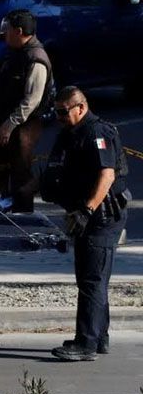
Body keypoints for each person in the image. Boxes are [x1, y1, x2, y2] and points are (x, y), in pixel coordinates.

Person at [42, 87, 130, 361]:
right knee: (92, 279)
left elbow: (107, 176)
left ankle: (86, 344)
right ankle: (98, 337)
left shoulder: (97, 132)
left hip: (101, 216)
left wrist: (86, 210)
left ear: (80, 107)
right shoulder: (72, 133)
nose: (59, 117)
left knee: (92, 280)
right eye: (56, 112)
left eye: (63, 111)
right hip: (87, 215)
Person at [0, 9, 54, 213]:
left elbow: (31, 101)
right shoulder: (15, 52)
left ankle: (23, 216)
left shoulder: (36, 58)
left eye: (7, 30)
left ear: (19, 31)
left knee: (20, 172)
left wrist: (9, 126)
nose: (4, 34)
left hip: (23, 126)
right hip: (4, 121)